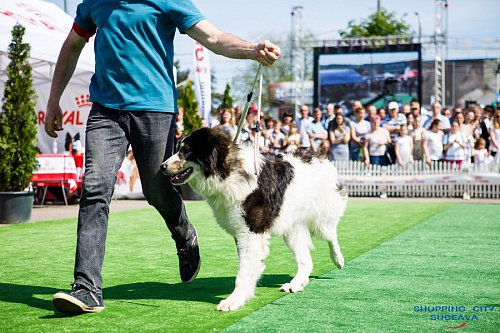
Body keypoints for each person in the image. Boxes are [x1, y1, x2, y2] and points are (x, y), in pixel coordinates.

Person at [45, 0, 280, 314]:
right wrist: (53, 100)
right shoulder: (94, 3)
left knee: (157, 190)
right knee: (94, 189)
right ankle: (87, 288)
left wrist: (252, 49)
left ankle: (183, 232)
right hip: (106, 111)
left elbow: (214, 38)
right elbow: (72, 45)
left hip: (155, 109)